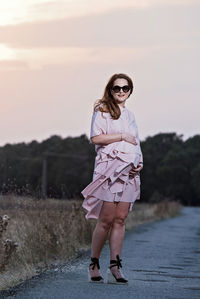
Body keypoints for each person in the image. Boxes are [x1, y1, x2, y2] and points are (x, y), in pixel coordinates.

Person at [81, 73, 143, 284]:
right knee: (106, 220)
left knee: (120, 219)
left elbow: (136, 142)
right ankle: (94, 264)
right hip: (109, 171)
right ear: (110, 90)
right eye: (117, 88)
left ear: (130, 91)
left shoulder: (130, 115)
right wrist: (121, 136)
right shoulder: (102, 112)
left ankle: (115, 267)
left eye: (125, 88)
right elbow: (95, 138)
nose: (121, 92)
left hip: (129, 172)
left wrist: (140, 163)